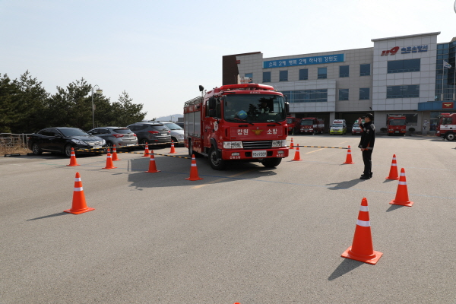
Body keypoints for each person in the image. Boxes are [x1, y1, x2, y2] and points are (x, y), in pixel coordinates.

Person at [358, 113, 375, 180]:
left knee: (366, 160)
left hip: (367, 147)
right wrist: (360, 123)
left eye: (365, 117)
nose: (364, 118)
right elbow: (364, 129)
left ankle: (367, 175)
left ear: (368, 118)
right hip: (367, 146)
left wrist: (364, 146)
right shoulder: (369, 125)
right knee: (368, 160)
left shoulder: (369, 127)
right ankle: (368, 172)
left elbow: (367, 138)